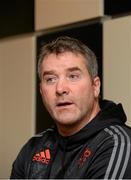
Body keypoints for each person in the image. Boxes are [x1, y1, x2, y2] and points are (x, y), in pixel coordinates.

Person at [10, 36, 131, 179]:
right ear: (41, 91)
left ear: (95, 86)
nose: (60, 89)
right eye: (50, 79)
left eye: (73, 76)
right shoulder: (33, 148)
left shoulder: (118, 144)